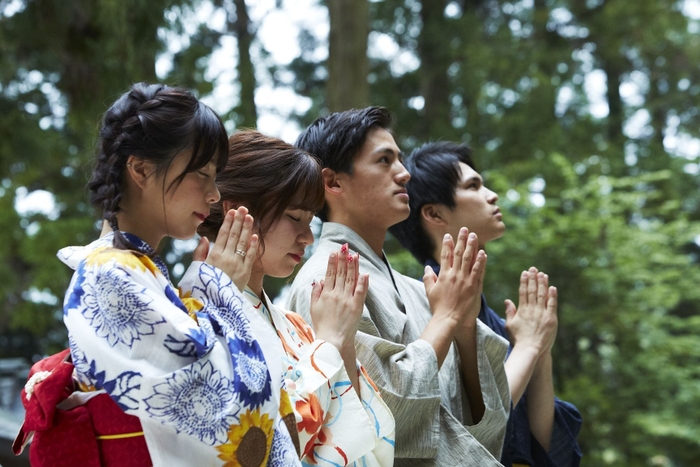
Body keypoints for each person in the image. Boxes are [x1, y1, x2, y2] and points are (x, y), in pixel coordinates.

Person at [47, 83, 301, 466]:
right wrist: (221, 290)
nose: (214, 194)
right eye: (201, 174)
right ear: (141, 169)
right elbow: (211, 401)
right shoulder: (107, 274)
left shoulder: (140, 271)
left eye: (216, 176)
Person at [288, 107, 511, 466]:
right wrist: (448, 317)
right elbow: (372, 425)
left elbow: (488, 426)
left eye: (400, 159)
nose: (404, 174)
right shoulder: (324, 282)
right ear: (333, 182)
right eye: (384, 160)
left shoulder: (420, 288)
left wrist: (465, 325)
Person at [197, 129, 395, 467]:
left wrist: (342, 342)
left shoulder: (298, 326)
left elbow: (369, 441)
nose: (307, 237)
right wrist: (329, 342)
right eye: (294, 217)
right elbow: (260, 443)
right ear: (237, 211)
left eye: (311, 220)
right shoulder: (192, 316)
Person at [389, 141, 583, 466]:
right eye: (474, 186)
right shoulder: (422, 310)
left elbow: (541, 442)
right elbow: (467, 424)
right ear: (435, 213)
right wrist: (529, 347)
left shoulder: (487, 313)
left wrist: (541, 349)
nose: (491, 195)